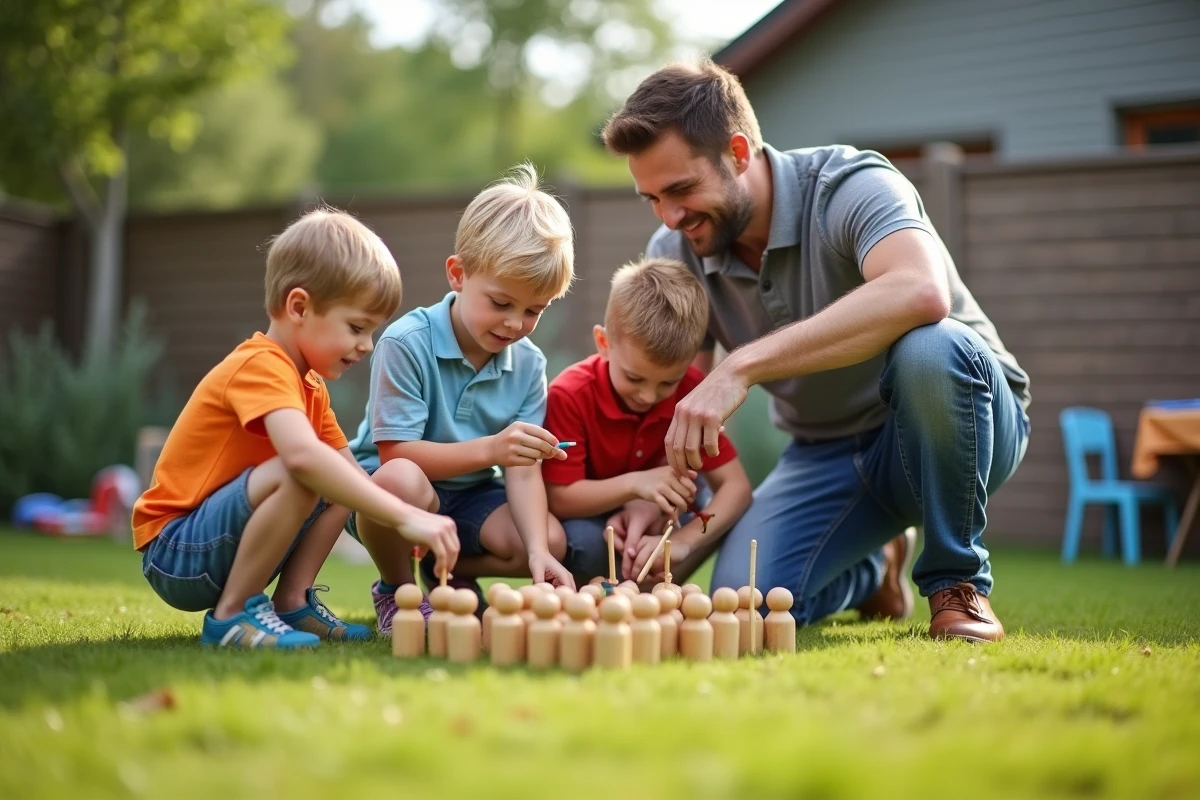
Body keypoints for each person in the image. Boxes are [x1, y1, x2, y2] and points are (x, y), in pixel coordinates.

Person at [601, 60, 1031, 641]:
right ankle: (875, 569)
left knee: (933, 347)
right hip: (824, 454)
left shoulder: (851, 186)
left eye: (680, 189)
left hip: (957, 426)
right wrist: (656, 500)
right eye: (651, 197)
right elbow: (681, 403)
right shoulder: (676, 247)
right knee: (744, 607)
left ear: (737, 151)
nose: (670, 216)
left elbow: (919, 289)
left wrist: (742, 364)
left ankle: (958, 586)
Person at [133, 208, 458, 648]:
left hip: (224, 545)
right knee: (304, 468)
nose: (368, 345)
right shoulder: (259, 365)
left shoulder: (311, 387)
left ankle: (291, 603)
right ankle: (231, 617)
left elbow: (347, 478)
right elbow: (302, 458)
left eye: (373, 330)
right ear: (299, 306)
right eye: (357, 327)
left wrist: (413, 511)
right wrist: (405, 517)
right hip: (177, 553)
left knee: (343, 481)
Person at [347, 164, 577, 635]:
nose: (514, 323)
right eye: (500, 303)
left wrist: (538, 551)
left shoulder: (529, 363)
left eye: (533, 310)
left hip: (469, 493)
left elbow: (522, 467)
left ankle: (449, 576)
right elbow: (397, 454)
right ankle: (395, 590)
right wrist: (493, 449)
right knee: (402, 482)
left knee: (548, 536)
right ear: (458, 275)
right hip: (390, 491)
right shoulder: (406, 342)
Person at [543, 257, 752, 585]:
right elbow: (560, 497)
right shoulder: (570, 394)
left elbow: (736, 488)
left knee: (718, 523)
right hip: (593, 521)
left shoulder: (691, 392)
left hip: (667, 521)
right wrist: (635, 485)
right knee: (584, 545)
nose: (648, 396)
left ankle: (648, 591)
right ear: (603, 343)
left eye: (667, 383)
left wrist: (681, 542)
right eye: (634, 377)